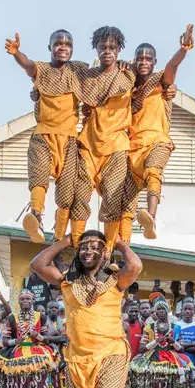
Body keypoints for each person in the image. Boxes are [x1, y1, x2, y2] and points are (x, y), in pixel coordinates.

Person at [29, 230, 142, 388]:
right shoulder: (67, 282)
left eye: (94, 247)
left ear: (104, 253)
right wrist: (66, 241)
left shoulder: (116, 280)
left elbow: (135, 265)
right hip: (77, 358)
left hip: (111, 353)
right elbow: (38, 265)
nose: (87, 251)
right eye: (83, 247)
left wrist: (120, 243)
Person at [6, 30, 90, 243]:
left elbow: (102, 73)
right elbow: (28, 65)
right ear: (50, 47)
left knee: (67, 190)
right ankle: (36, 215)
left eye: (68, 44)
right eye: (58, 44)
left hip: (69, 139)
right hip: (44, 134)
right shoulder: (42, 69)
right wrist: (17, 53)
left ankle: (59, 235)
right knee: (39, 176)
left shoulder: (78, 70)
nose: (63, 47)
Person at [117, 26, 194, 240]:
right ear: (134, 61)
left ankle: (151, 217)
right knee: (125, 202)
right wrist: (119, 64)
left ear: (154, 62)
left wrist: (184, 48)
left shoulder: (161, 83)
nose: (144, 62)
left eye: (148, 59)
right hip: (131, 149)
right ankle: (122, 247)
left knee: (154, 172)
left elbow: (172, 65)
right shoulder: (127, 87)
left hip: (157, 142)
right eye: (139, 59)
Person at [74, 26, 137, 248]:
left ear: (119, 49)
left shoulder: (129, 74)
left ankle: (109, 249)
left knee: (113, 197)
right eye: (103, 47)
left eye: (112, 47)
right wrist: (36, 92)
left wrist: (172, 88)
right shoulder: (87, 78)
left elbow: (156, 82)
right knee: (79, 195)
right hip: (89, 144)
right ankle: (73, 247)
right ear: (96, 48)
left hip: (116, 144)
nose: (107, 51)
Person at [0, 289, 61, 388]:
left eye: (28, 299)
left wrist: (38, 336)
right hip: (17, 354)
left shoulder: (40, 316)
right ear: (19, 301)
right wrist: (15, 341)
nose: (25, 301)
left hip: (38, 354)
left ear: (32, 301)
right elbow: (4, 341)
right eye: (22, 299)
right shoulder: (12, 317)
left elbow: (46, 337)